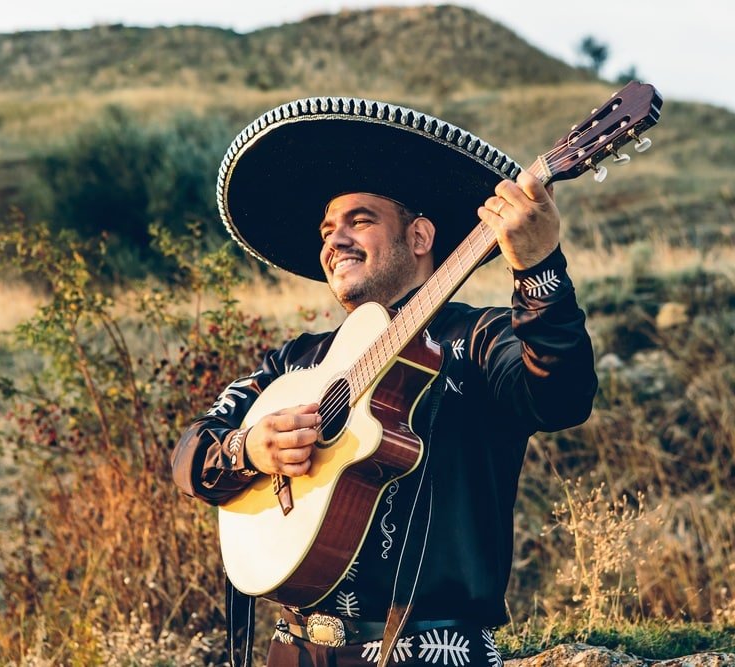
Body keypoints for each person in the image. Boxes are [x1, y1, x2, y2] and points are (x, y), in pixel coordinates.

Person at [172, 96, 598, 667]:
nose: (333, 241)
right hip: (293, 651)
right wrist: (249, 447)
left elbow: (562, 395)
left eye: (360, 220)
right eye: (327, 229)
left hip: (437, 652)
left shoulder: (479, 339)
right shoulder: (295, 363)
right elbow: (190, 453)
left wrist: (539, 268)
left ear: (420, 238)